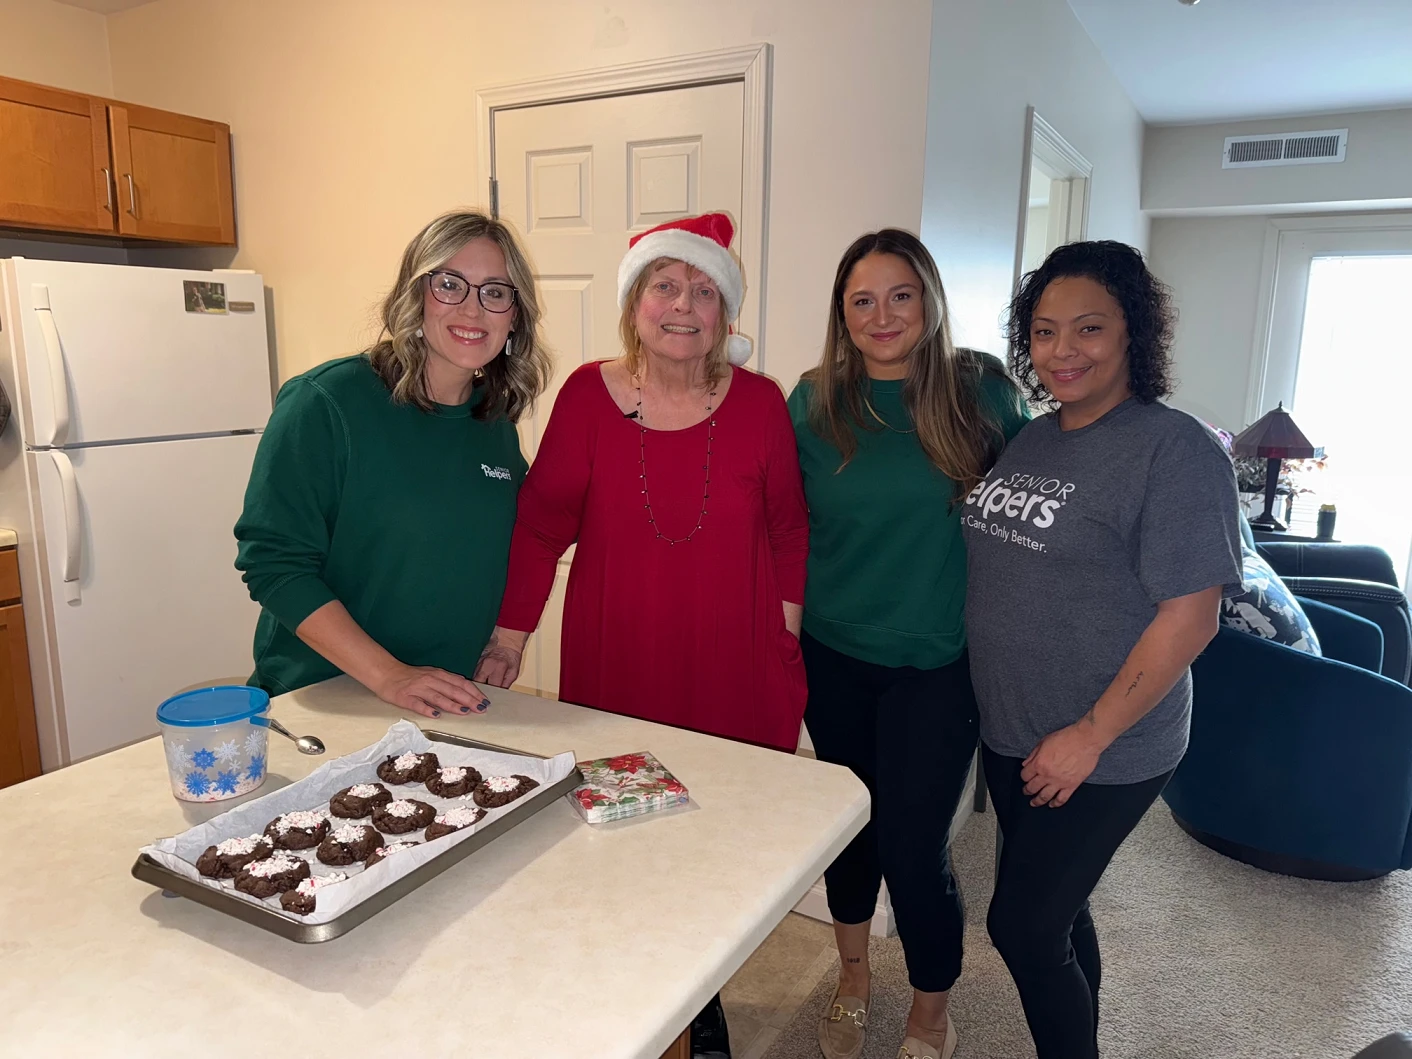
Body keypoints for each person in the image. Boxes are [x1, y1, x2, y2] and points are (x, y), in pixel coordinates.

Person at [476, 212, 808, 1058]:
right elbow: (541, 526)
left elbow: (790, 530)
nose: (683, 304)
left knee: (713, 844)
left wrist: (783, 635)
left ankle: (701, 1000)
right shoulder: (588, 396)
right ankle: (629, 996)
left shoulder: (762, 403)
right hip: (620, 664)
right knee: (623, 839)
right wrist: (511, 639)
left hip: (728, 664)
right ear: (635, 302)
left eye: (703, 289)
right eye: (665, 284)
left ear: (724, 312)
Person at [963, 241, 1242, 1059]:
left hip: (1107, 743)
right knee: (1059, 909)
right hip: (1013, 728)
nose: (1063, 351)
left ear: (1133, 332)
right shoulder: (1036, 437)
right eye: (1045, 332)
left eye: (1088, 328)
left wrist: (1088, 735)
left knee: (1019, 924)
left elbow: (1191, 617)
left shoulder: (1176, 449)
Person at [789, 229, 1029, 1059]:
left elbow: (1035, 520)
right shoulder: (813, 400)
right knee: (851, 827)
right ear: (842, 313)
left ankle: (931, 1005)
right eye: (862, 300)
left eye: (900, 294)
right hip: (833, 652)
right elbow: (778, 522)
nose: (882, 315)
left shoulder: (982, 394)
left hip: (939, 663)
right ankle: (853, 974)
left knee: (913, 847)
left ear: (928, 299)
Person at [234, 210, 552, 717]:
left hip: (444, 701)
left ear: (514, 316)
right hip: (324, 698)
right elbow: (273, 563)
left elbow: (504, 544)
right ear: (415, 295)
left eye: (495, 292)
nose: (473, 310)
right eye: (450, 285)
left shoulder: (493, 423)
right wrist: (390, 675)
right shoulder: (327, 402)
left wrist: (504, 640)